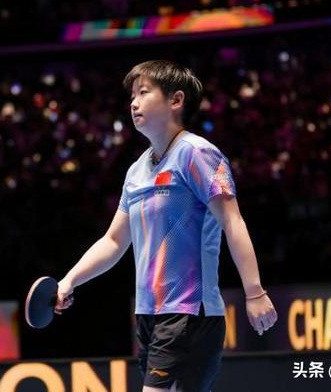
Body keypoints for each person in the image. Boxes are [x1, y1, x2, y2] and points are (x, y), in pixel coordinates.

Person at [54, 60, 277, 391]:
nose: (134, 103)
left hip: (189, 312)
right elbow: (114, 241)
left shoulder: (197, 154)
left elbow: (232, 221)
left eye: (144, 92)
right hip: (148, 314)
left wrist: (254, 292)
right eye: (132, 96)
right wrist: (69, 281)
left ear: (176, 100)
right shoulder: (136, 171)